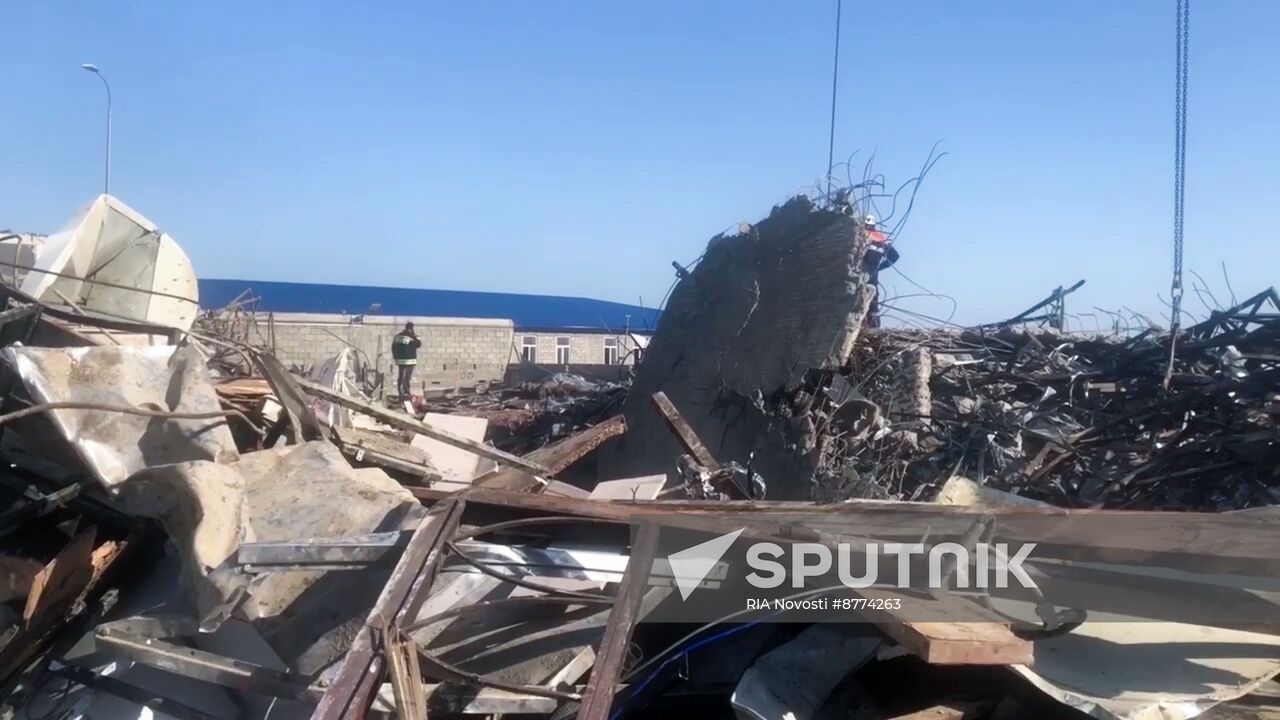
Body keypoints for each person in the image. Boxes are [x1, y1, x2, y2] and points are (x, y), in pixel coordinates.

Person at [862, 215, 899, 328]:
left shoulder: (863, 236)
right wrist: (880, 267)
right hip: (873, 278)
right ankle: (873, 330)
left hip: (862, 276)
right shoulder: (882, 239)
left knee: (861, 305)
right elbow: (895, 257)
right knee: (873, 307)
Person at [391, 322, 422, 399]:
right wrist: (414, 335)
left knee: (401, 376)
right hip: (409, 361)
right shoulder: (411, 337)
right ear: (411, 328)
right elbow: (418, 344)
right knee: (407, 378)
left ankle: (400, 391)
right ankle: (406, 391)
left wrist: (396, 357)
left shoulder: (398, 336)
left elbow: (393, 347)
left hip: (400, 360)